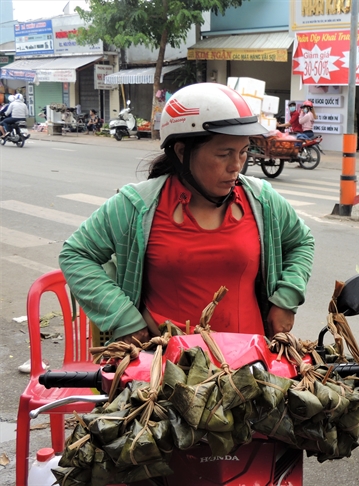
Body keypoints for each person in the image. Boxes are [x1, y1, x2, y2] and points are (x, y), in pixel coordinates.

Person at [59, 83, 315, 345]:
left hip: (251, 367)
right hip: (166, 370)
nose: (236, 166)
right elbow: (76, 254)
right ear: (182, 152)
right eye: (223, 154)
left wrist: (286, 298)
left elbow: (301, 241)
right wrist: (123, 318)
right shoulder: (137, 205)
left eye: (242, 152)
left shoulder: (262, 201)